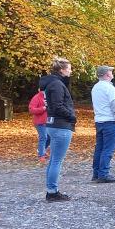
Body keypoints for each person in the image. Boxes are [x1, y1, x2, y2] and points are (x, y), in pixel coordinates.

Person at [40, 57, 76, 202]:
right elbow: (57, 106)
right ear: (61, 70)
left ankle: (51, 190)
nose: (71, 70)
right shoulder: (57, 85)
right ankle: (52, 191)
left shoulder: (52, 84)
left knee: (54, 160)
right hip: (61, 126)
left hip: (54, 125)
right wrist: (72, 117)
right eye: (69, 68)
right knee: (56, 161)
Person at [91, 66, 115, 183]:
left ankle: (96, 173)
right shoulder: (109, 87)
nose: (112, 72)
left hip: (99, 121)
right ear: (106, 74)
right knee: (108, 149)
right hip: (110, 121)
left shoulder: (95, 87)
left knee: (99, 148)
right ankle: (103, 174)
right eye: (110, 71)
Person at [28, 87, 50, 163]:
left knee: (49, 137)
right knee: (43, 137)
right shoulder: (36, 97)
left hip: (49, 122)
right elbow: (31, 110)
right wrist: (43, 108)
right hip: (40, 122)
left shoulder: (50, 97)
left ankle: (42, 150)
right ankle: (41, 155)